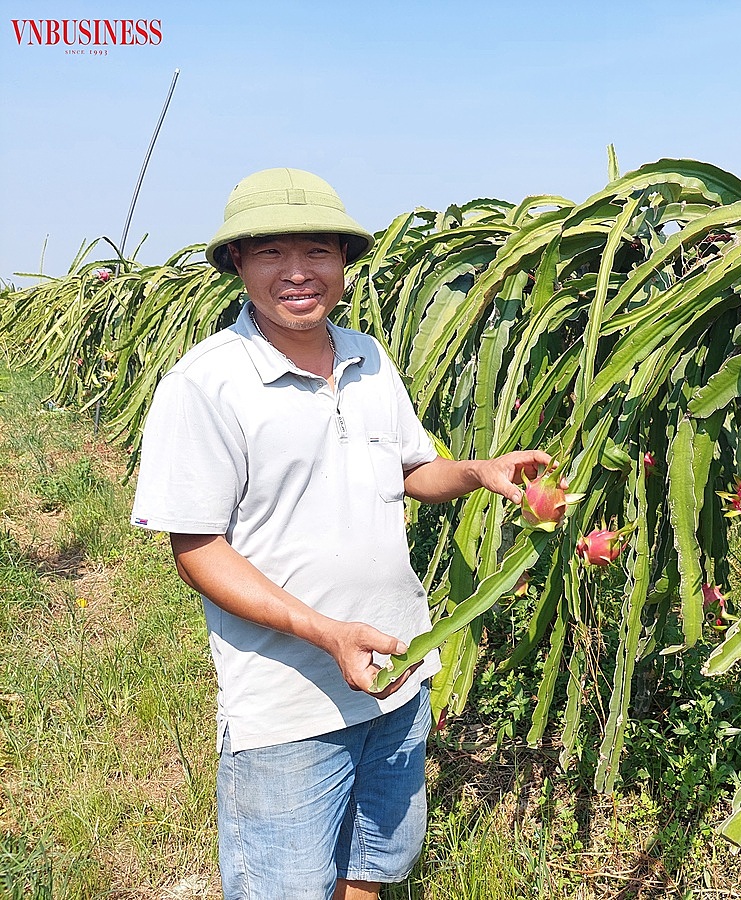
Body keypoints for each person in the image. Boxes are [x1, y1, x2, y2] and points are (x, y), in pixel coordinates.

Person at [130, 168, 549, 900]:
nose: (298, 272)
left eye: (318, 251)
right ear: (237, 265)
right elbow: (196, 551)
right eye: (271, 254)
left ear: (345, 264)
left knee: (370, 871)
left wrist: (478, 471)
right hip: (289, 703)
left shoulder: (369, 357)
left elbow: (413, 468)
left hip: (399, 673)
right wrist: (327, 633)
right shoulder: (205, 385)